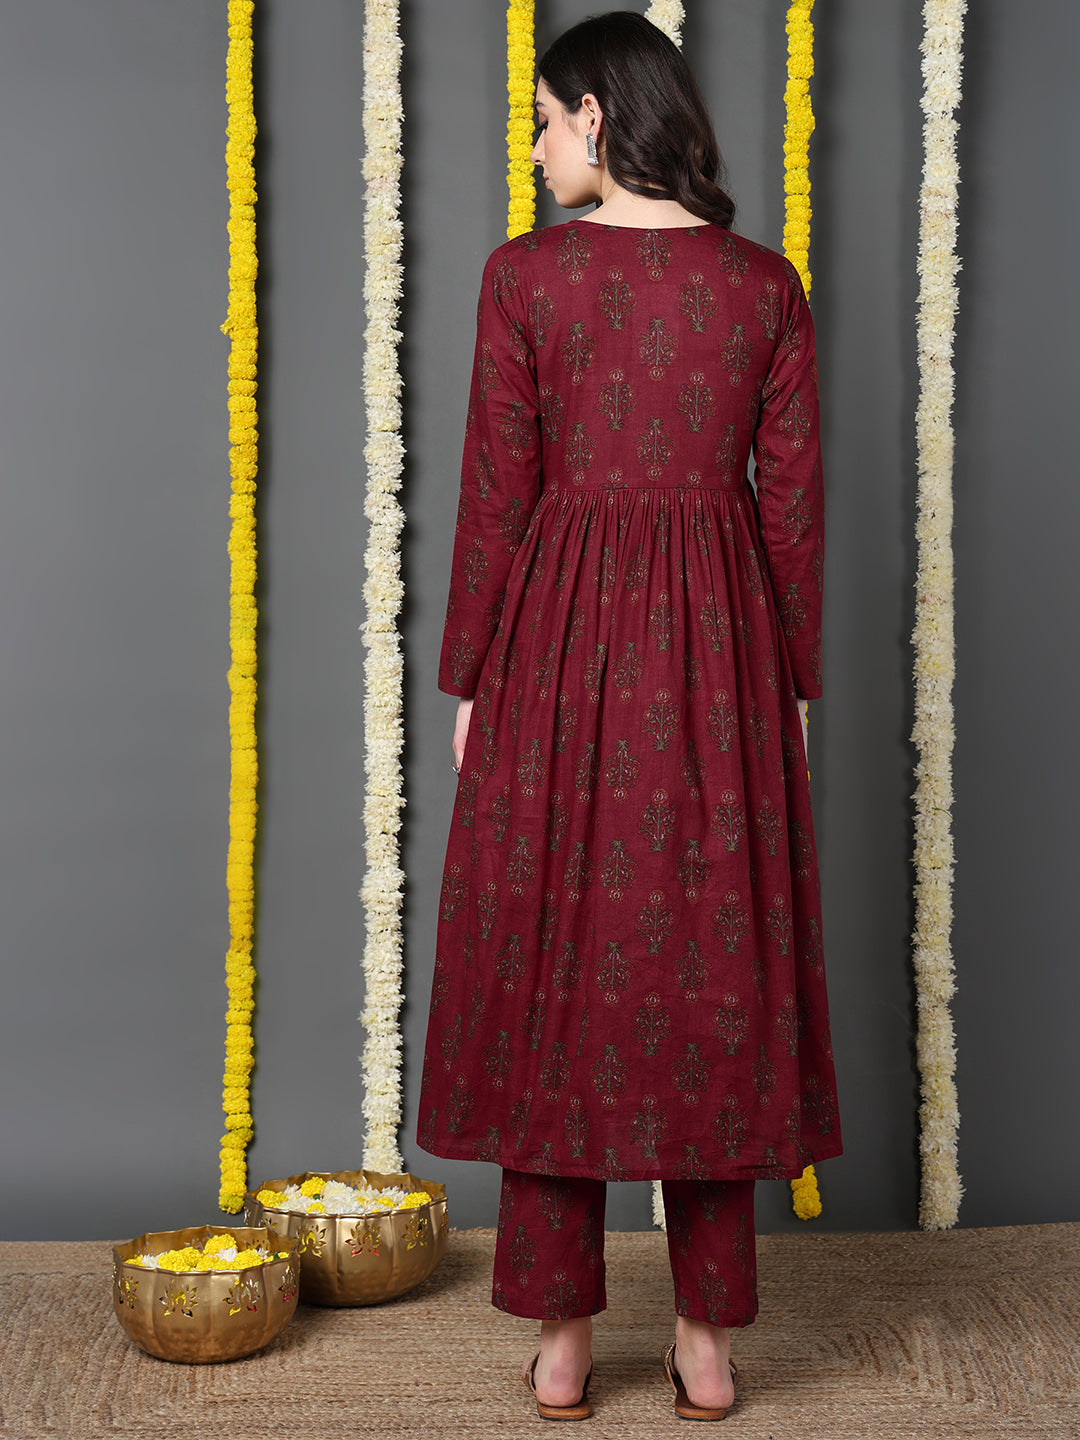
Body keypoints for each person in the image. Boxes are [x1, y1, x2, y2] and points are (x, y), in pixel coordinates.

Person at [417, 11, 841, 1422]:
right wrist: (792, 686)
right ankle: (707, 1348)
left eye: (546, 120)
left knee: (555, 964)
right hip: (722, 655)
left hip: (556, 646)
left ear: (597, 115)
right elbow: (794, 513)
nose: (539, 147)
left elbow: (497, 494)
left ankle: (561, 1345)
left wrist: (470, 677)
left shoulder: (525, 277)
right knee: (711, 975)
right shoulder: (765, 286)